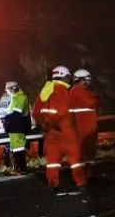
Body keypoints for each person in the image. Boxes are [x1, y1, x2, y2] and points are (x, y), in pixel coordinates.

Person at [32, 65, 87, 194]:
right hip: (64, 129)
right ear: (64, 76)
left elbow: (35, 112)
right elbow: (61, 111)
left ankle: (53, 183)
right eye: (69, 77)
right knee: (75, 159)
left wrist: (44, 124)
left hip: (50, 133)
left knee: (52, 160)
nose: (70, 80)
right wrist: (51, 122)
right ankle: (80, 182)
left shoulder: (45, 90)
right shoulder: (61, 90)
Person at [69, 69, 100, 177]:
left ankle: (84, 173)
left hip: (83, 127)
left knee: (83, 152)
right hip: (84, 128)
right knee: (86, 151)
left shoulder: (73, 92)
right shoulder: (79, 92)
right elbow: (94, 101)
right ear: (81, 80)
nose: (88, 82)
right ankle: (85, 173)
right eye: (87, 80)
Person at [2, 81, 31, 172]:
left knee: (19, 148)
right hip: (14, 127)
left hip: (18, 127)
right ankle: (18, 167)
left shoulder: (20, 97)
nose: (7, 92)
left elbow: (16, 113)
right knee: (15, 148)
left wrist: (5, 116)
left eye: (7, 90)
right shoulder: (14, 98)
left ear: (12, 88)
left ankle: (22, 168)